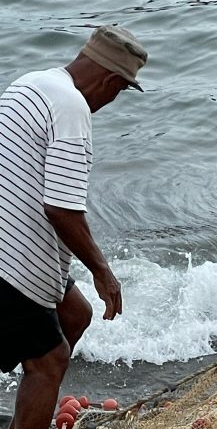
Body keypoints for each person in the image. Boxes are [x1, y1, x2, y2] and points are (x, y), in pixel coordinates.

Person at [0, 25, 148, 429]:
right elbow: (62, 209)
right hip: (10, 266)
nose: (110, 100)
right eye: (118, 91)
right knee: (50, 361)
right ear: (110, 80)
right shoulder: (73, 108)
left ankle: (27, 412)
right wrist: (104, 272)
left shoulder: (30, 83)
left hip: (10, 246)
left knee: (76, 313)